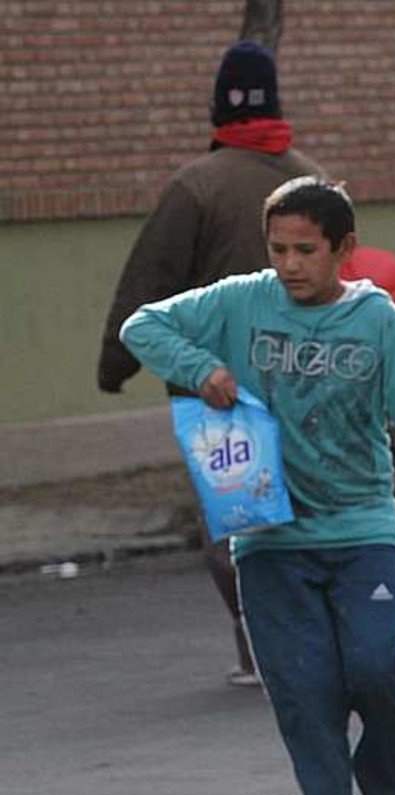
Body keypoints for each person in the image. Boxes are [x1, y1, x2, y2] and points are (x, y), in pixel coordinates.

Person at [120, 177, 395, 795]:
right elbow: (142, 326)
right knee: (304, 699)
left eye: (305, 250)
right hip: (266, 540)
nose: (288, 264)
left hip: (361, 533)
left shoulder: (377, 321)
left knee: (380, 674)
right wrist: (203, 370)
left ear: (344, 250)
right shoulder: (242, 301)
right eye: (278, 248)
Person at [98, 41, 327, 687]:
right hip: (310, 380)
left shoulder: (194, 186)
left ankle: (262, 650)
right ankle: (315, 638)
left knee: (235, 520)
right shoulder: (313, 181)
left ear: (216, 108)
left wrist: (115, 361)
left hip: (217, 391)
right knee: (309, 511)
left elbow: (148, 281)